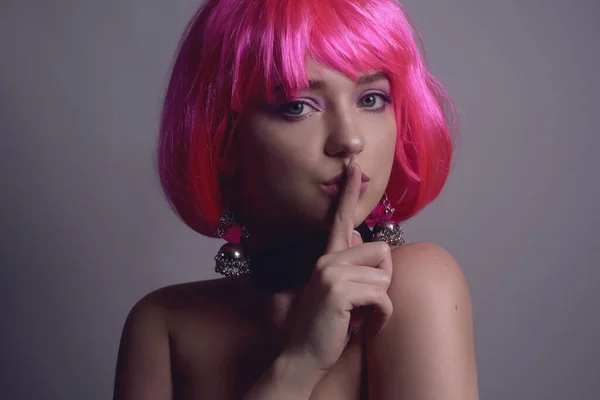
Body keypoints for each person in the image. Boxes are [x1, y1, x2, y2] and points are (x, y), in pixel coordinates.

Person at [113, 0, 479, 398]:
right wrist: (301, 362)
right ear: (226, 139)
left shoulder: (414, 286)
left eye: (371, 99)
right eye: (298, 106)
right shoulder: (163, 327)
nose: (350, 140)